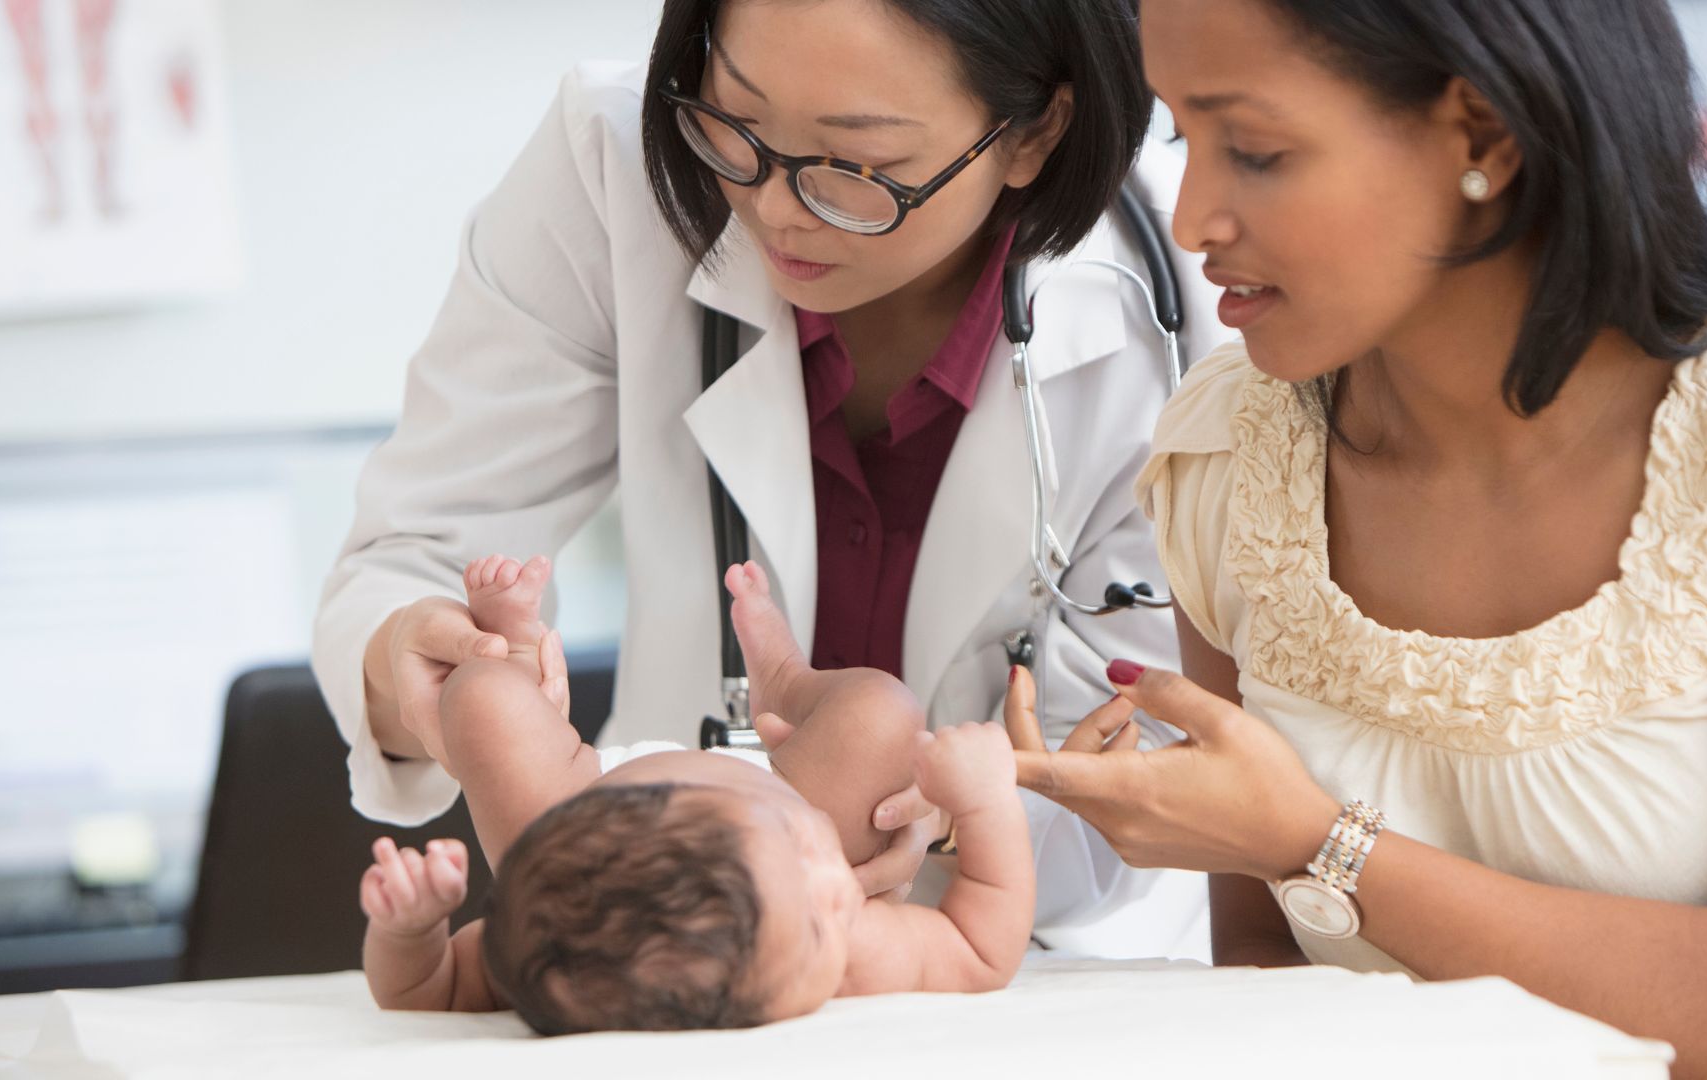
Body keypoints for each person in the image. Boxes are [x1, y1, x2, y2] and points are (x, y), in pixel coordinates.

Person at [1009, 1, 1707, 1077]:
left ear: (1482, 134)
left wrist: (1314, 843)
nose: (1195, 215)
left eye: (1253, 150)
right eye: (1181, 140)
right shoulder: (1232, 454)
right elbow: (1264, 990)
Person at [312, 0, 1229, 947]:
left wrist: (948, 818)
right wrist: (413, 668)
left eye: (858, 167)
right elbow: (412, 556)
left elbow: (1150, 766)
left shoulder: (1199, 289)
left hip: (1036, 972)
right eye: (737, 123)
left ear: (1036, 130)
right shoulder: (608, 167)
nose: (778, 210)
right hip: (664, 950)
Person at [359, 558, 1032, 1031]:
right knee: (885, 709)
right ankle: (790, 682)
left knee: (479, 702)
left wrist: (410, 930)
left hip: (584, 800)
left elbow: (424, 990)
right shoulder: (846, 950)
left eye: (799, 851)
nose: (836, 883)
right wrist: (985, 803)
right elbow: (982, 948)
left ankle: (510, 655)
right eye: (822, 922)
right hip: (777, 787)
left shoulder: (562, 929)